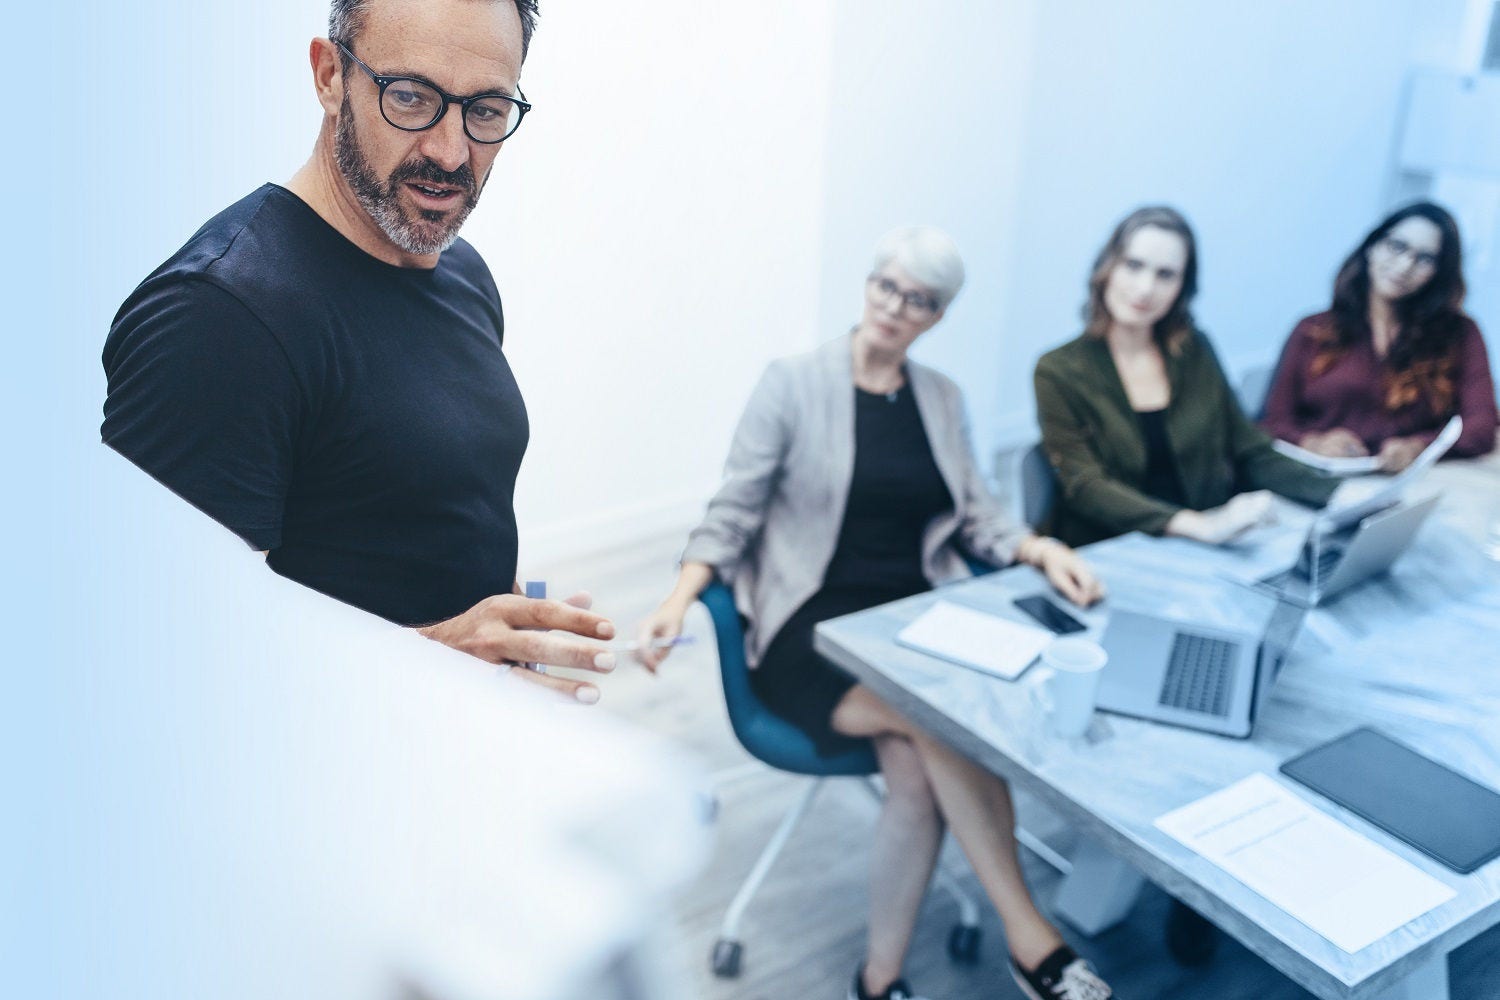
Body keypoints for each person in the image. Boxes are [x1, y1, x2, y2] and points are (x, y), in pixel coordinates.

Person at [636, 228, 1116, 1000]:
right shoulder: (793, 383)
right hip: (812, 631)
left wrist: (1037, 549)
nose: (896, 308)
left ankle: (879, 980)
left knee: (919, 775)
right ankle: (1034, 941)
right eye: (886, 287)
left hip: (910, 625)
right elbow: (733, 509)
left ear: (937, 314)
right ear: (869, 284)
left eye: (918, 300)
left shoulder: (941, 398)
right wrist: (680, 594)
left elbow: (978, 515)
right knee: (941, 719)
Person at [99, 0, 617, 703]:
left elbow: (410, 514)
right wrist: (436, 656)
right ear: (329, 74)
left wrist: (498, 628)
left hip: (455, 749)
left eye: (487, 111)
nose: (450, 152)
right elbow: (149, 662)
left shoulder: (459, 271)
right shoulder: (220, 316)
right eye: (410, 97)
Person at [1033, 206, 1338, 549]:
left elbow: (1251, 451)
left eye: (1166, 275)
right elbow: (1084, 486)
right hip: (1108, 551)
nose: (1145, 288)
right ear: (1108, 267)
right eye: (1133, 266)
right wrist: (1198, 525)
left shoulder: (1194, 352)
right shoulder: (1058, 370)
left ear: (1183, 287)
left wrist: (1341, 496)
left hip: (1201, 549)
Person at [1260, 202, 1498, 469]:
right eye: (1398, 246)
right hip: (1320, 475)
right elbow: (1271, 423)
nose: (1405, 265)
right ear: (1372, 247)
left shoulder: (1461, 334)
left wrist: (1419, 446)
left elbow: (1482, 427)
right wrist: (1311, 442)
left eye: (1425, 259)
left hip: (1412, 480)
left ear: (1439, 273)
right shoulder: (1312, 329)